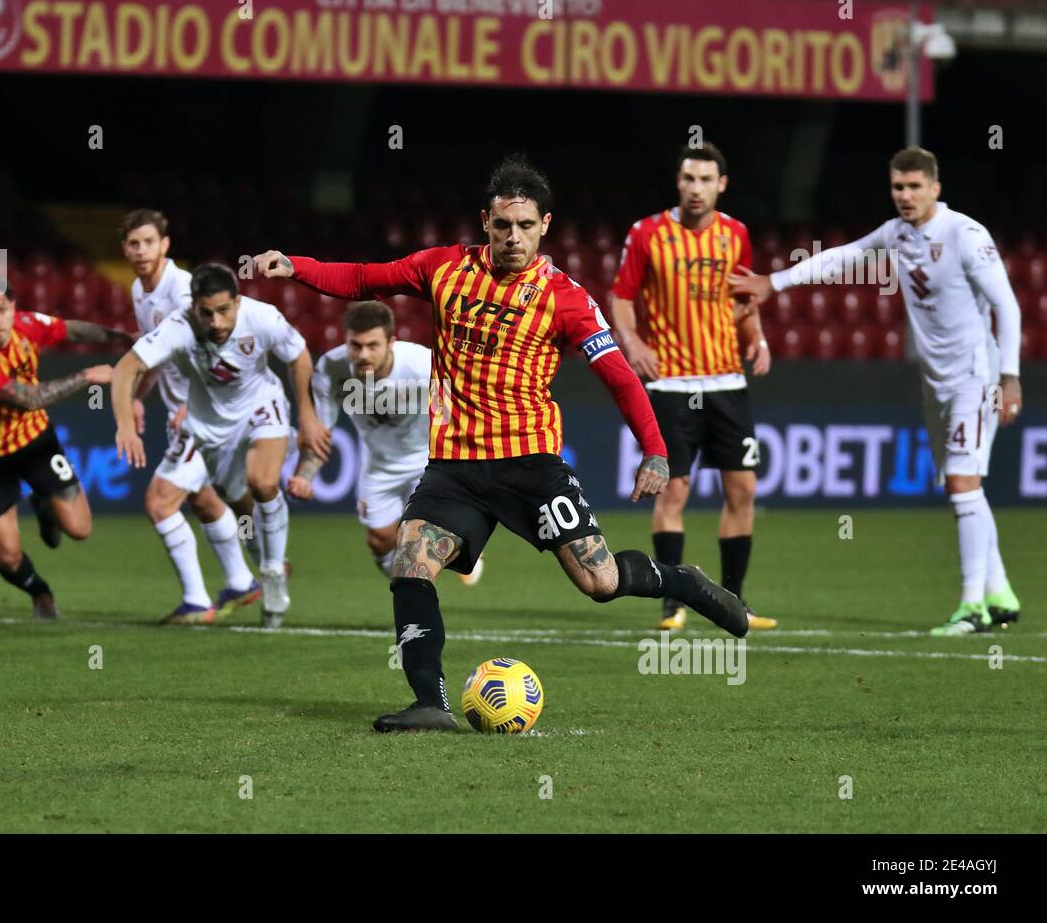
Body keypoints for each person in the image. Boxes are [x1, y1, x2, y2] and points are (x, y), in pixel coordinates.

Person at [255, 153, 749, 733]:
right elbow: (366, 278)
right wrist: (297, 266)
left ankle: (684, 582)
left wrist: (655, 448)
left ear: (544, 225)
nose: (513, 238)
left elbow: (617, 374)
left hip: (531, 464)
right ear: (484, 223)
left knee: (600, 582)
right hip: (455, 466)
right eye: (501, 226)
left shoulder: (566, 298)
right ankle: (430, 704)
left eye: (525, 226)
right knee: (410, 565)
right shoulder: (441, 267)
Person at [730, 146, 1023, 635]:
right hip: (937, 381)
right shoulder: (897, 233)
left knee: (962, 483)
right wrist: (773, 282)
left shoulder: (966, 235)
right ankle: (1000, 591)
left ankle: (973, 607)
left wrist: (1009, 378)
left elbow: (1007, 307)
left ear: (935, 188)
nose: (904, 196)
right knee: (965, 483)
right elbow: (844, 258)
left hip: (977, 376)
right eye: (897, 187)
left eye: (913, 187)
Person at [611, 142, 777, 631]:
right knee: (673, 491)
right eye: (688, 179)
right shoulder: (647, 233)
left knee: (743, 489)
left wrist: (758, 338)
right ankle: (672, 602)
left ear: (721, 185)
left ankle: (734, 600)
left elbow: (744, 299)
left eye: (706, 180)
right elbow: (621, 296)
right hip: (671, 384)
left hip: (727, 381)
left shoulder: (736, 235)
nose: (696, 188)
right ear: (678, 183)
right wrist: (632, 340)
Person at [112, 262, 327, 628]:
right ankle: (250, 574)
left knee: (262, 483)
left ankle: (273, 571)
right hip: (208, 427)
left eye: (224, 310)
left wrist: (307, 415)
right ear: (193, 306)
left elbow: (299, 356)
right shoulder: (178, 328)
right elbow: (124, 369)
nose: (216, 322)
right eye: (206, 312)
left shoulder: (263, 318)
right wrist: (125, 425)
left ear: (237, 302)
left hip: (262, 407)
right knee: (234, 496)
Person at [0, 280, 130, 619]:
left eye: (3, 310)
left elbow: (70, 330)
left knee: (79, 529)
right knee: (8, 557)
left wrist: (121, 337)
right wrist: (87, 375)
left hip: (34, 442)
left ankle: (44, 503)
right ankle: (40, 592)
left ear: (14, 309)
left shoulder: (28, 326)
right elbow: (28, 399)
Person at [121, 210, 261, 625]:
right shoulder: (138, 291)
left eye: (149, 241)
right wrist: (137, 396)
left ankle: (197, 602)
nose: (142, 250)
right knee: (202, 499)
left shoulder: (183, 289)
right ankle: (240, 581)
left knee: (159, 502)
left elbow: (217, 344)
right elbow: (157, 355)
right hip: (183, 411)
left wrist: (195, 402)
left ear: (165, 244)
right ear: (124, 249)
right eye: (134, 243)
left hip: (206, 414)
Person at [287, 300, 483, 585]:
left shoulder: (423, 365)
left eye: (373, 345)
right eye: (355, 346)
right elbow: (321, 433)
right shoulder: (331, 369)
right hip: (379, 465)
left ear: (391, 341)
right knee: (380, 541)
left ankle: (416, 591)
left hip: (428, 462)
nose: (363, 354)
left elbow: (455, 418)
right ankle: (436, 567)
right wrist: (305, 476)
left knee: (416, 538)